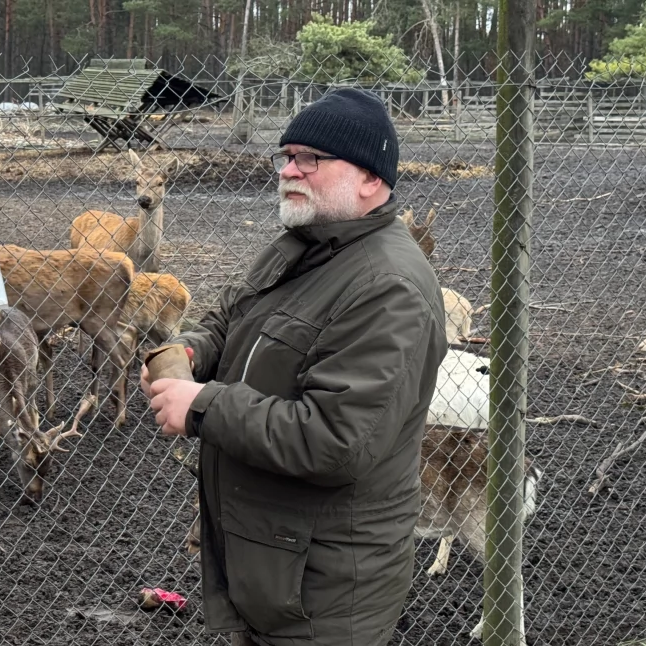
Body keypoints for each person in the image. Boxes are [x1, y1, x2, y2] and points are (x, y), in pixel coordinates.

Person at [141, 88, 448, 646]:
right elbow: (231, 316)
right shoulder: (303, 244)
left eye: (312, 158)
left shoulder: (389, 289)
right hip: (275, 568)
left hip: (324, 595)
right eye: (287, 155)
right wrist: (192, 353)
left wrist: (203, 406)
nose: (290, 170)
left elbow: (336, 439)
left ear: (371, 179)